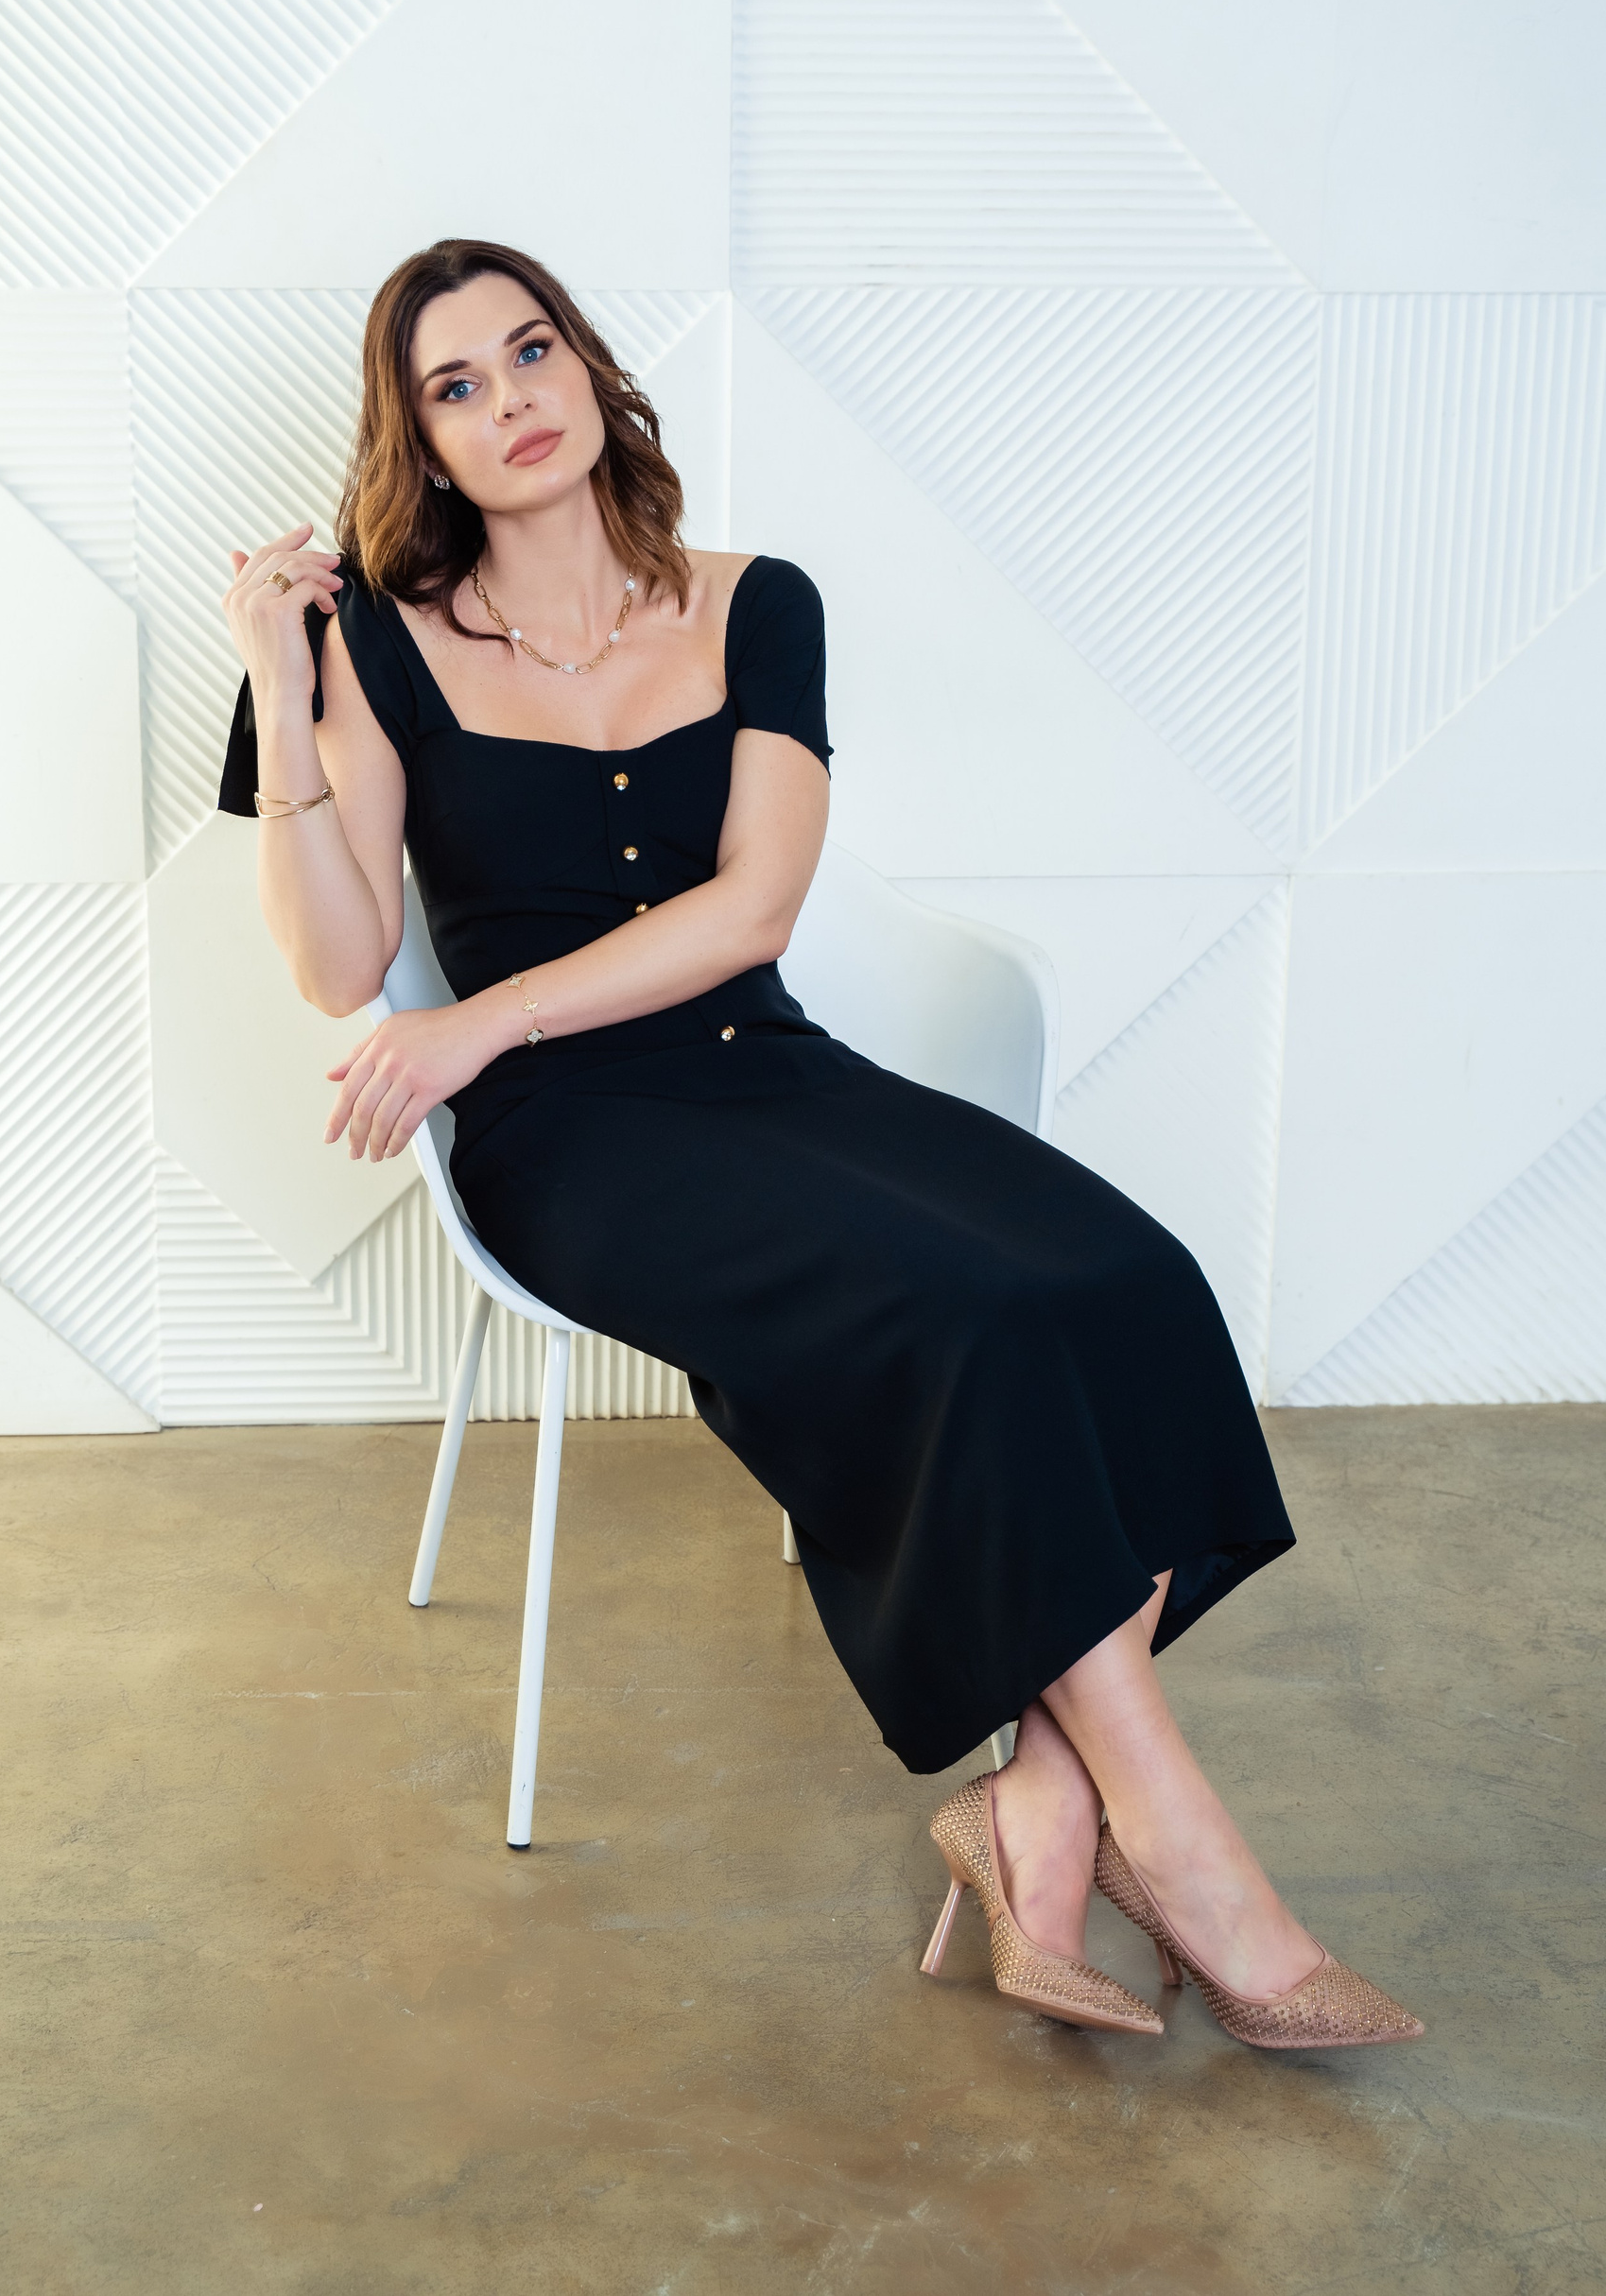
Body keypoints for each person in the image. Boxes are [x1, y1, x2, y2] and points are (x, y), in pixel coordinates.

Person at [217, 237, 1423, 2051]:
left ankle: (1039, 1804)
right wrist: (280, 688)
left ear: (588, 366)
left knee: (1126, 1278)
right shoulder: (373, 642)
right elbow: (334, 962)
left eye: (530, 351)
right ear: (422, 446)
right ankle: (1180, 1844)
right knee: (965, 1320)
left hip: (766, 1071)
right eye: (453, 388)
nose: (509, 401)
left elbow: (754, 911)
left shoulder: (755, 602)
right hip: (567, 1137)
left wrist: (470, 1015)